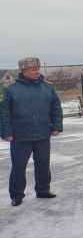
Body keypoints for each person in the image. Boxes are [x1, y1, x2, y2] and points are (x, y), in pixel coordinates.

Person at [0, 57, 62, 206]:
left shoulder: (48, 88)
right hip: (20, 135)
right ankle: (16, 195)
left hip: (42, 133)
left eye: (38, 69)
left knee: (43, 164)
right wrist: (6, 132)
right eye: (33, 69)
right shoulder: (10, 89)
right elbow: (3, 113)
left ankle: (43, 190)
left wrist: (56, 126)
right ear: (24, 71)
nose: (37, 72)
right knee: (19, 166)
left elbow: (56, 108)